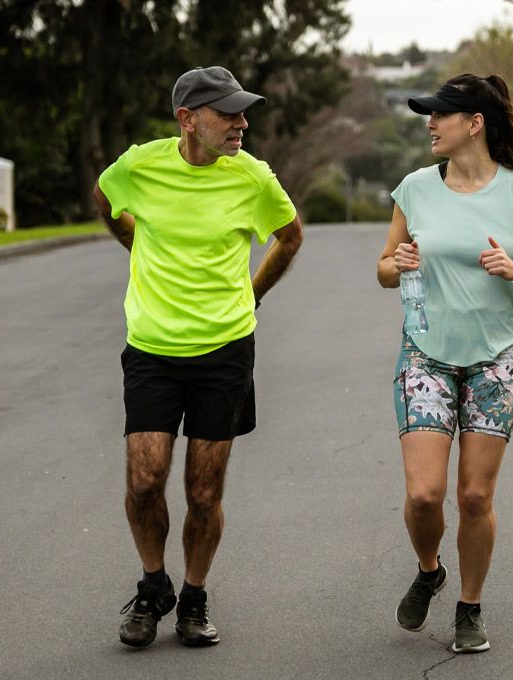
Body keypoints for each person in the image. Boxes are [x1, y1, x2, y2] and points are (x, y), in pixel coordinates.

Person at [93, 65, 303, 649]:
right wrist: (135, 241)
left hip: (225, 350)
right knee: (145, 478)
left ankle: (193, 596)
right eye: (228, 113)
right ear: (187, 119)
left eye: (243, 113)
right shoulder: (141, 165)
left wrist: (253, 293)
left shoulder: (252, 177)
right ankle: (153, 584)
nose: (242, 124)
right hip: (152, 348)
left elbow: (290, 236)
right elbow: (106, 198)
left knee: (204, 492)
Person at [376, 73, 513, 654]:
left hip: (497, 360)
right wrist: (398, 263)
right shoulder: (414, 189)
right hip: (426, 354)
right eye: (429, 115)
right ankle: (429, 569)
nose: (430, 124)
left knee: (473, 497)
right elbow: (384, 268)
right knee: (423, 494)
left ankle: (469, 606)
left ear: (474, 124)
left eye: (440, 114)